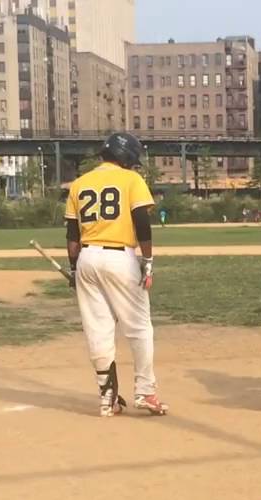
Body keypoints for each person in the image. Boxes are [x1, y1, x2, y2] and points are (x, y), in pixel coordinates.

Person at [64, 132, 167, 417]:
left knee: (98, 329)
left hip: (86, 257)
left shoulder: (79, 183)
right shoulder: (130, 180)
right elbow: (142, 223)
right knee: (139, 327)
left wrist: (74, 269)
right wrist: (147, 259)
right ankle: (145, 392)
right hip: (119, 257)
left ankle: (107, 397)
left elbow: (72, 235)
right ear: (126, 158)